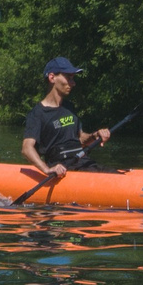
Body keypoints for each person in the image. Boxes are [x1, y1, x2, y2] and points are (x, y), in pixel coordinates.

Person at [20, 56, 111, 189]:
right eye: (68, 77)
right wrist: (47, 170)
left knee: (115, 174)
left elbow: (80, 138)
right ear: (52, 78)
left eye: (73, 78)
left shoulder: (69, 107)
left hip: (84, 162)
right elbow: (26, 148)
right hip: (63, 167)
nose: (73, 83)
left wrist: (94, 135)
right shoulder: (37, 114)